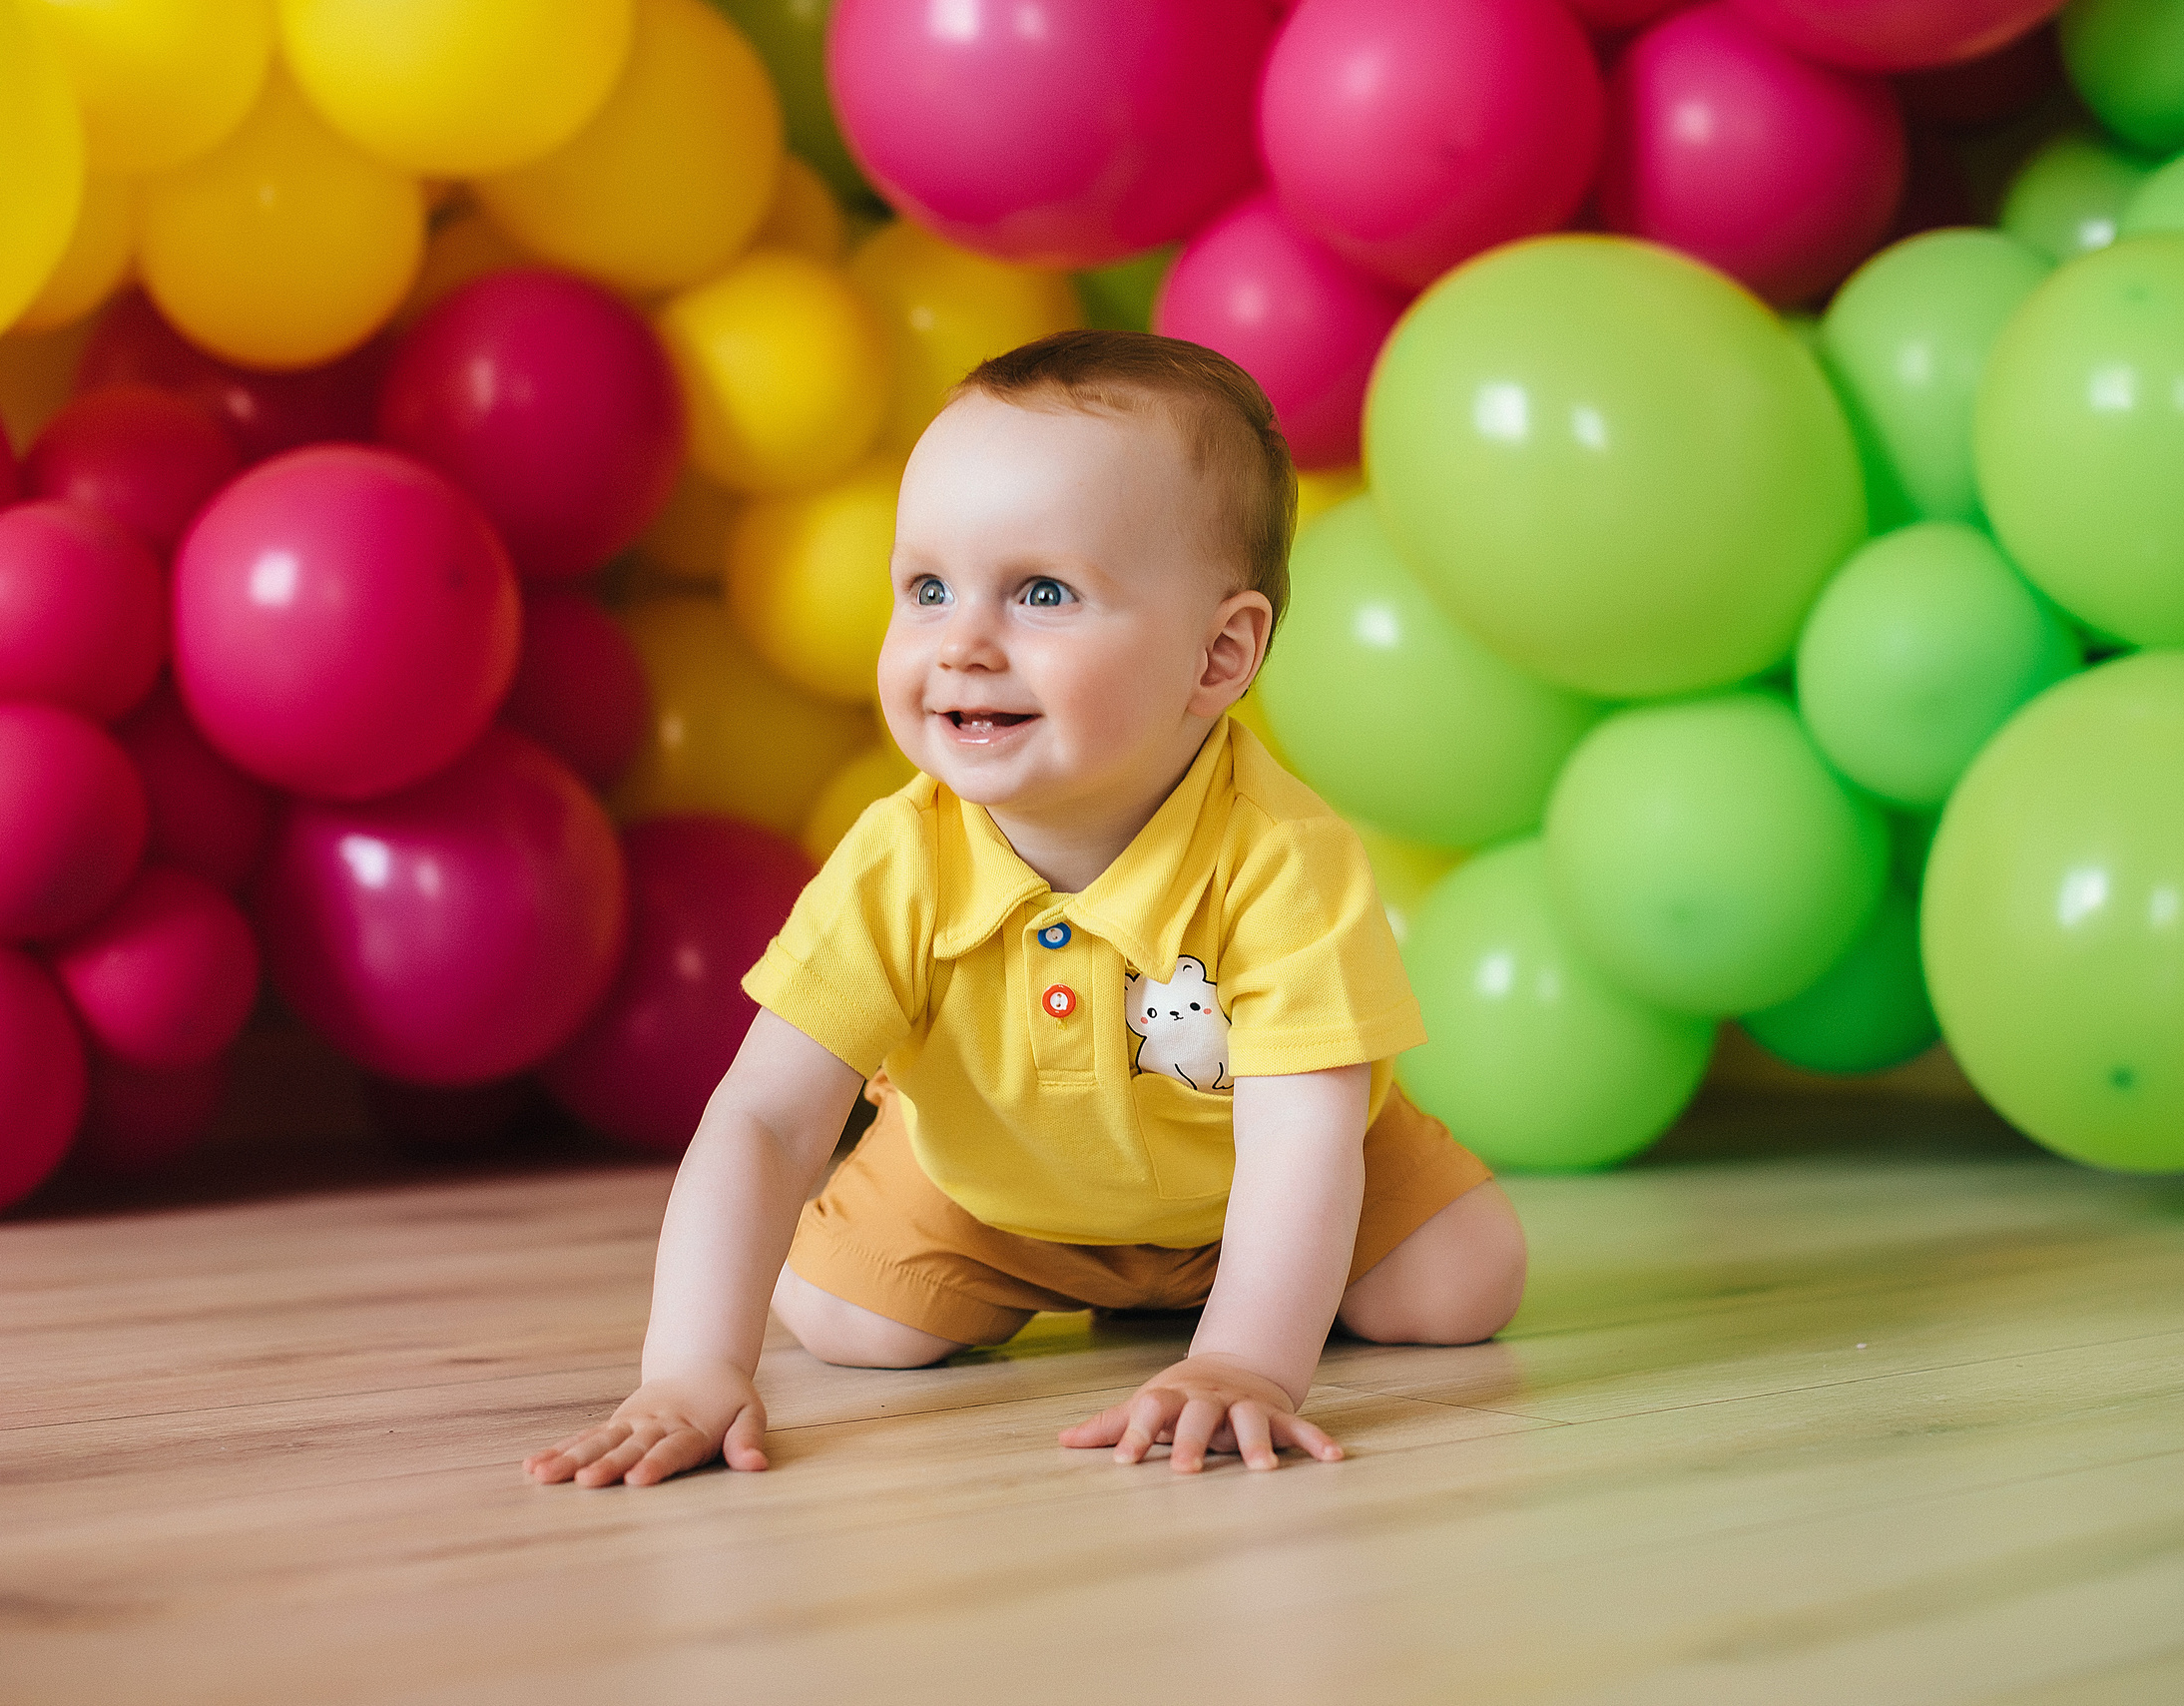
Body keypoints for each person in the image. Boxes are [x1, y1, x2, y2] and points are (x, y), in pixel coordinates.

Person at [525, 329, 1526, 1487]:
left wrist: (1246, 1359)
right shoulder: (898, 857)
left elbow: (1299, 1137)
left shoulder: (1279, 855)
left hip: (1250, 1184)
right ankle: (1002, 1238)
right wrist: (691, 1364)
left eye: (1041, 591)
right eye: (928, 587)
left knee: (1464, 1283)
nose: (961, 642)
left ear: (1218, 653)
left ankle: (1225, 1296)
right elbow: (761, 1116)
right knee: (845, 1325)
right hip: (995, 1192)